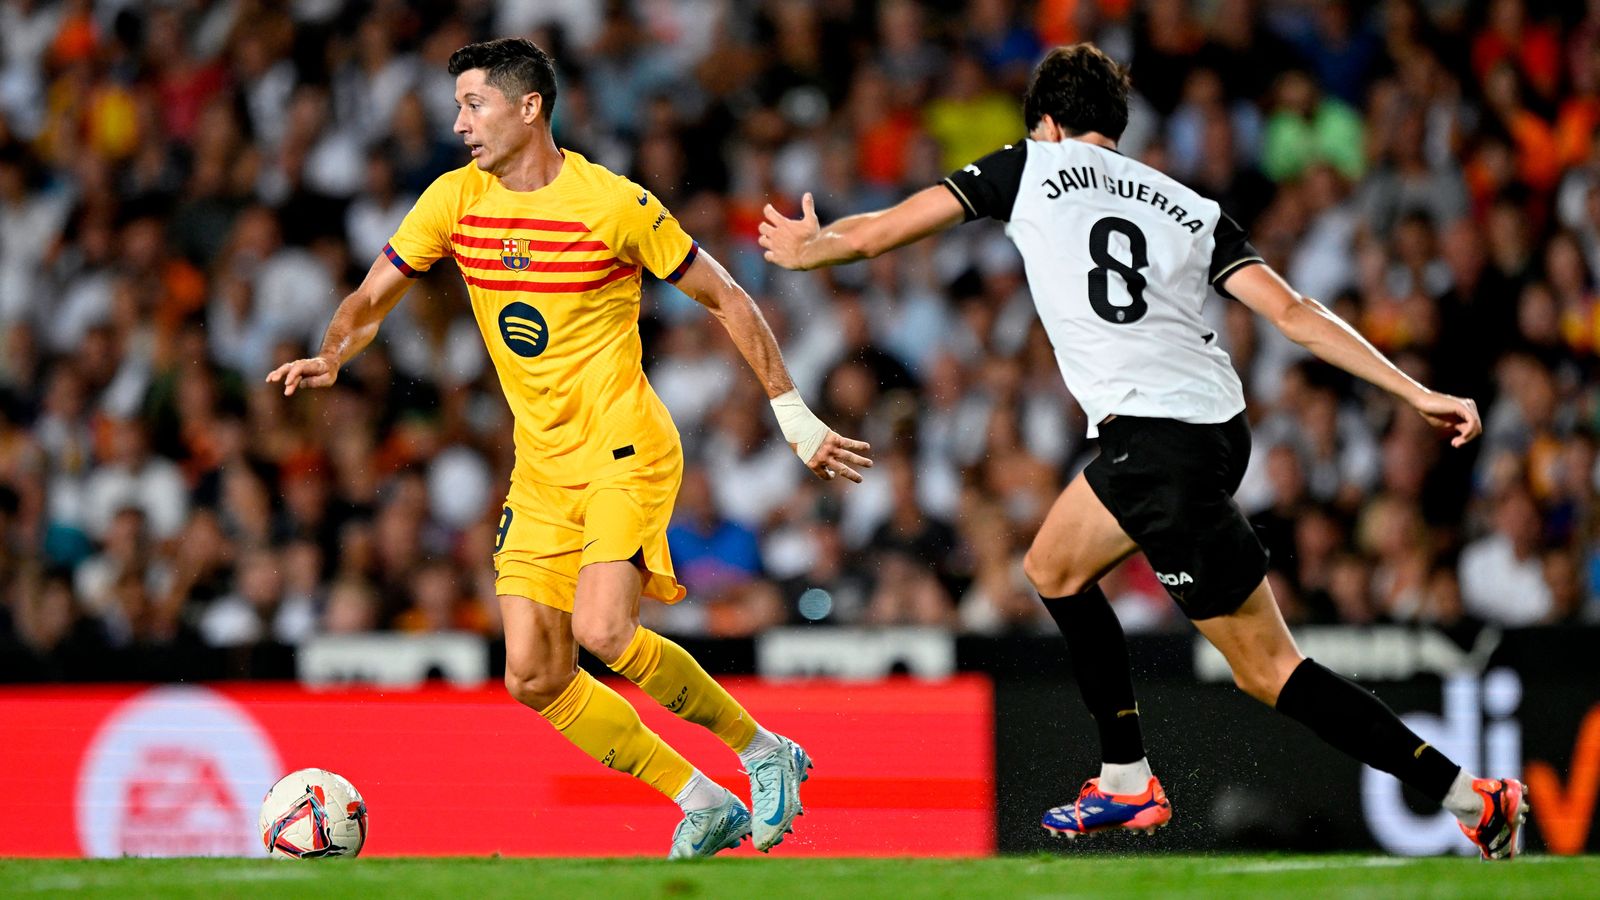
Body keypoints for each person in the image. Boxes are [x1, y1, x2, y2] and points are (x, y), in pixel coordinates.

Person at [760, 43, 1526, 860]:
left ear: (1047, 123)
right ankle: (1473, 797)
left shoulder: (1031, 165)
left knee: (1080, 583)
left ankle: (1128, 780)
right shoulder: (1189, 205)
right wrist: (1413, 389)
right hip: (1216, 430)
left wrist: (813, 247)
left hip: (1155, 437)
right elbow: (1296, 313)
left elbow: (880, 233)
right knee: (1245, 657)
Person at [269, 38, 873, 859]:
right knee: (533, 673)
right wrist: (335, 350)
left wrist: (792, 413)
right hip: (543, 468)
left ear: (529, 108)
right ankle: (701, 800)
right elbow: (373, 296)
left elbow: (727, 297)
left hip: (624, 446)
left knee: (605, 630)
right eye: (457, 107)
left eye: (473, 105)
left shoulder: (612, 204)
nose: (459, 124)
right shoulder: (453, 200)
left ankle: (765, 750)